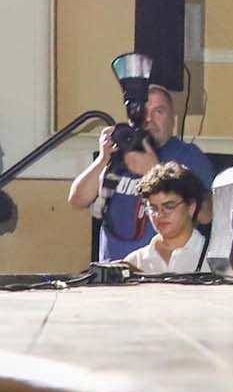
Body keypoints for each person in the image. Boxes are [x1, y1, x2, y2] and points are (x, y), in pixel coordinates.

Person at [64, 83, 214, 263]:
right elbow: (77, 200)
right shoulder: (120, 152)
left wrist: (155, 171)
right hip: (113, 268)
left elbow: (206, 215)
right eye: (144, 112)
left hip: (162, 269)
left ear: (172, 119)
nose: (149, 119)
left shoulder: (188, 155)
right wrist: (103, 158)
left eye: (158, 111)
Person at [119, 164, 212, 276]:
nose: (159, 214)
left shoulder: (215, 259)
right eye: (153, 208)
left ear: (191, 207)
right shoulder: (135, 262)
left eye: (169, 206)